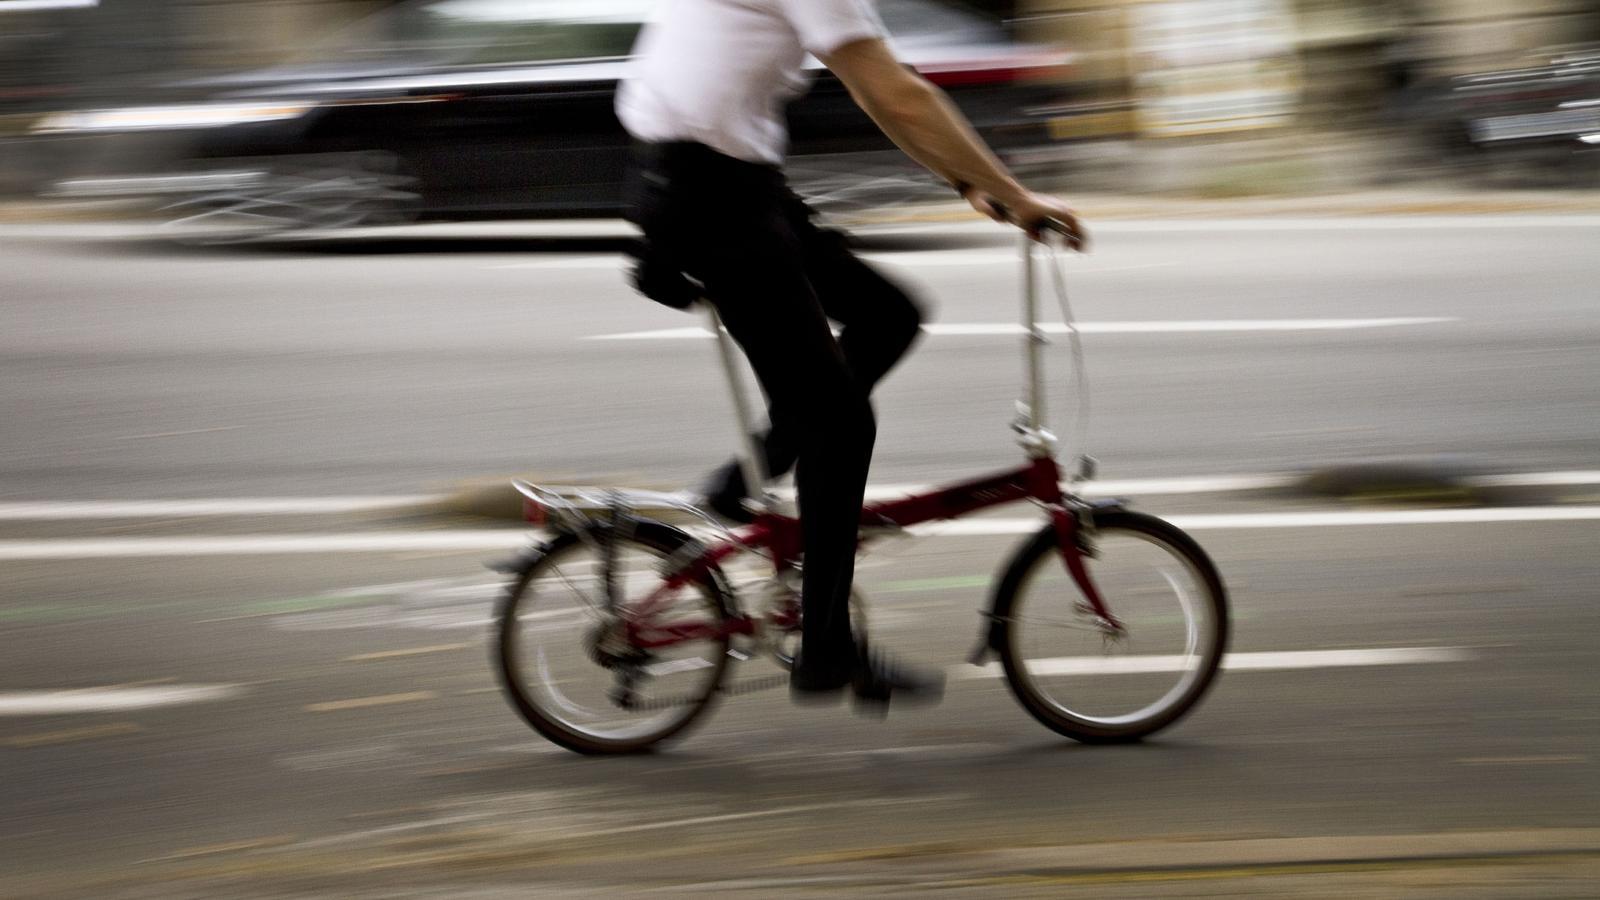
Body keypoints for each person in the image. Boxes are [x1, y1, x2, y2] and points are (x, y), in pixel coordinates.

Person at [618, 0, 1086, 710]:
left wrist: (970, 182)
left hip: (732, 186)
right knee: (838, 423)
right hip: (709, 198)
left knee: (887, 314)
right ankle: (826, 647)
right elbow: (896, 95)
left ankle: (748, 475)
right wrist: (1014, 195)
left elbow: (887, 93)